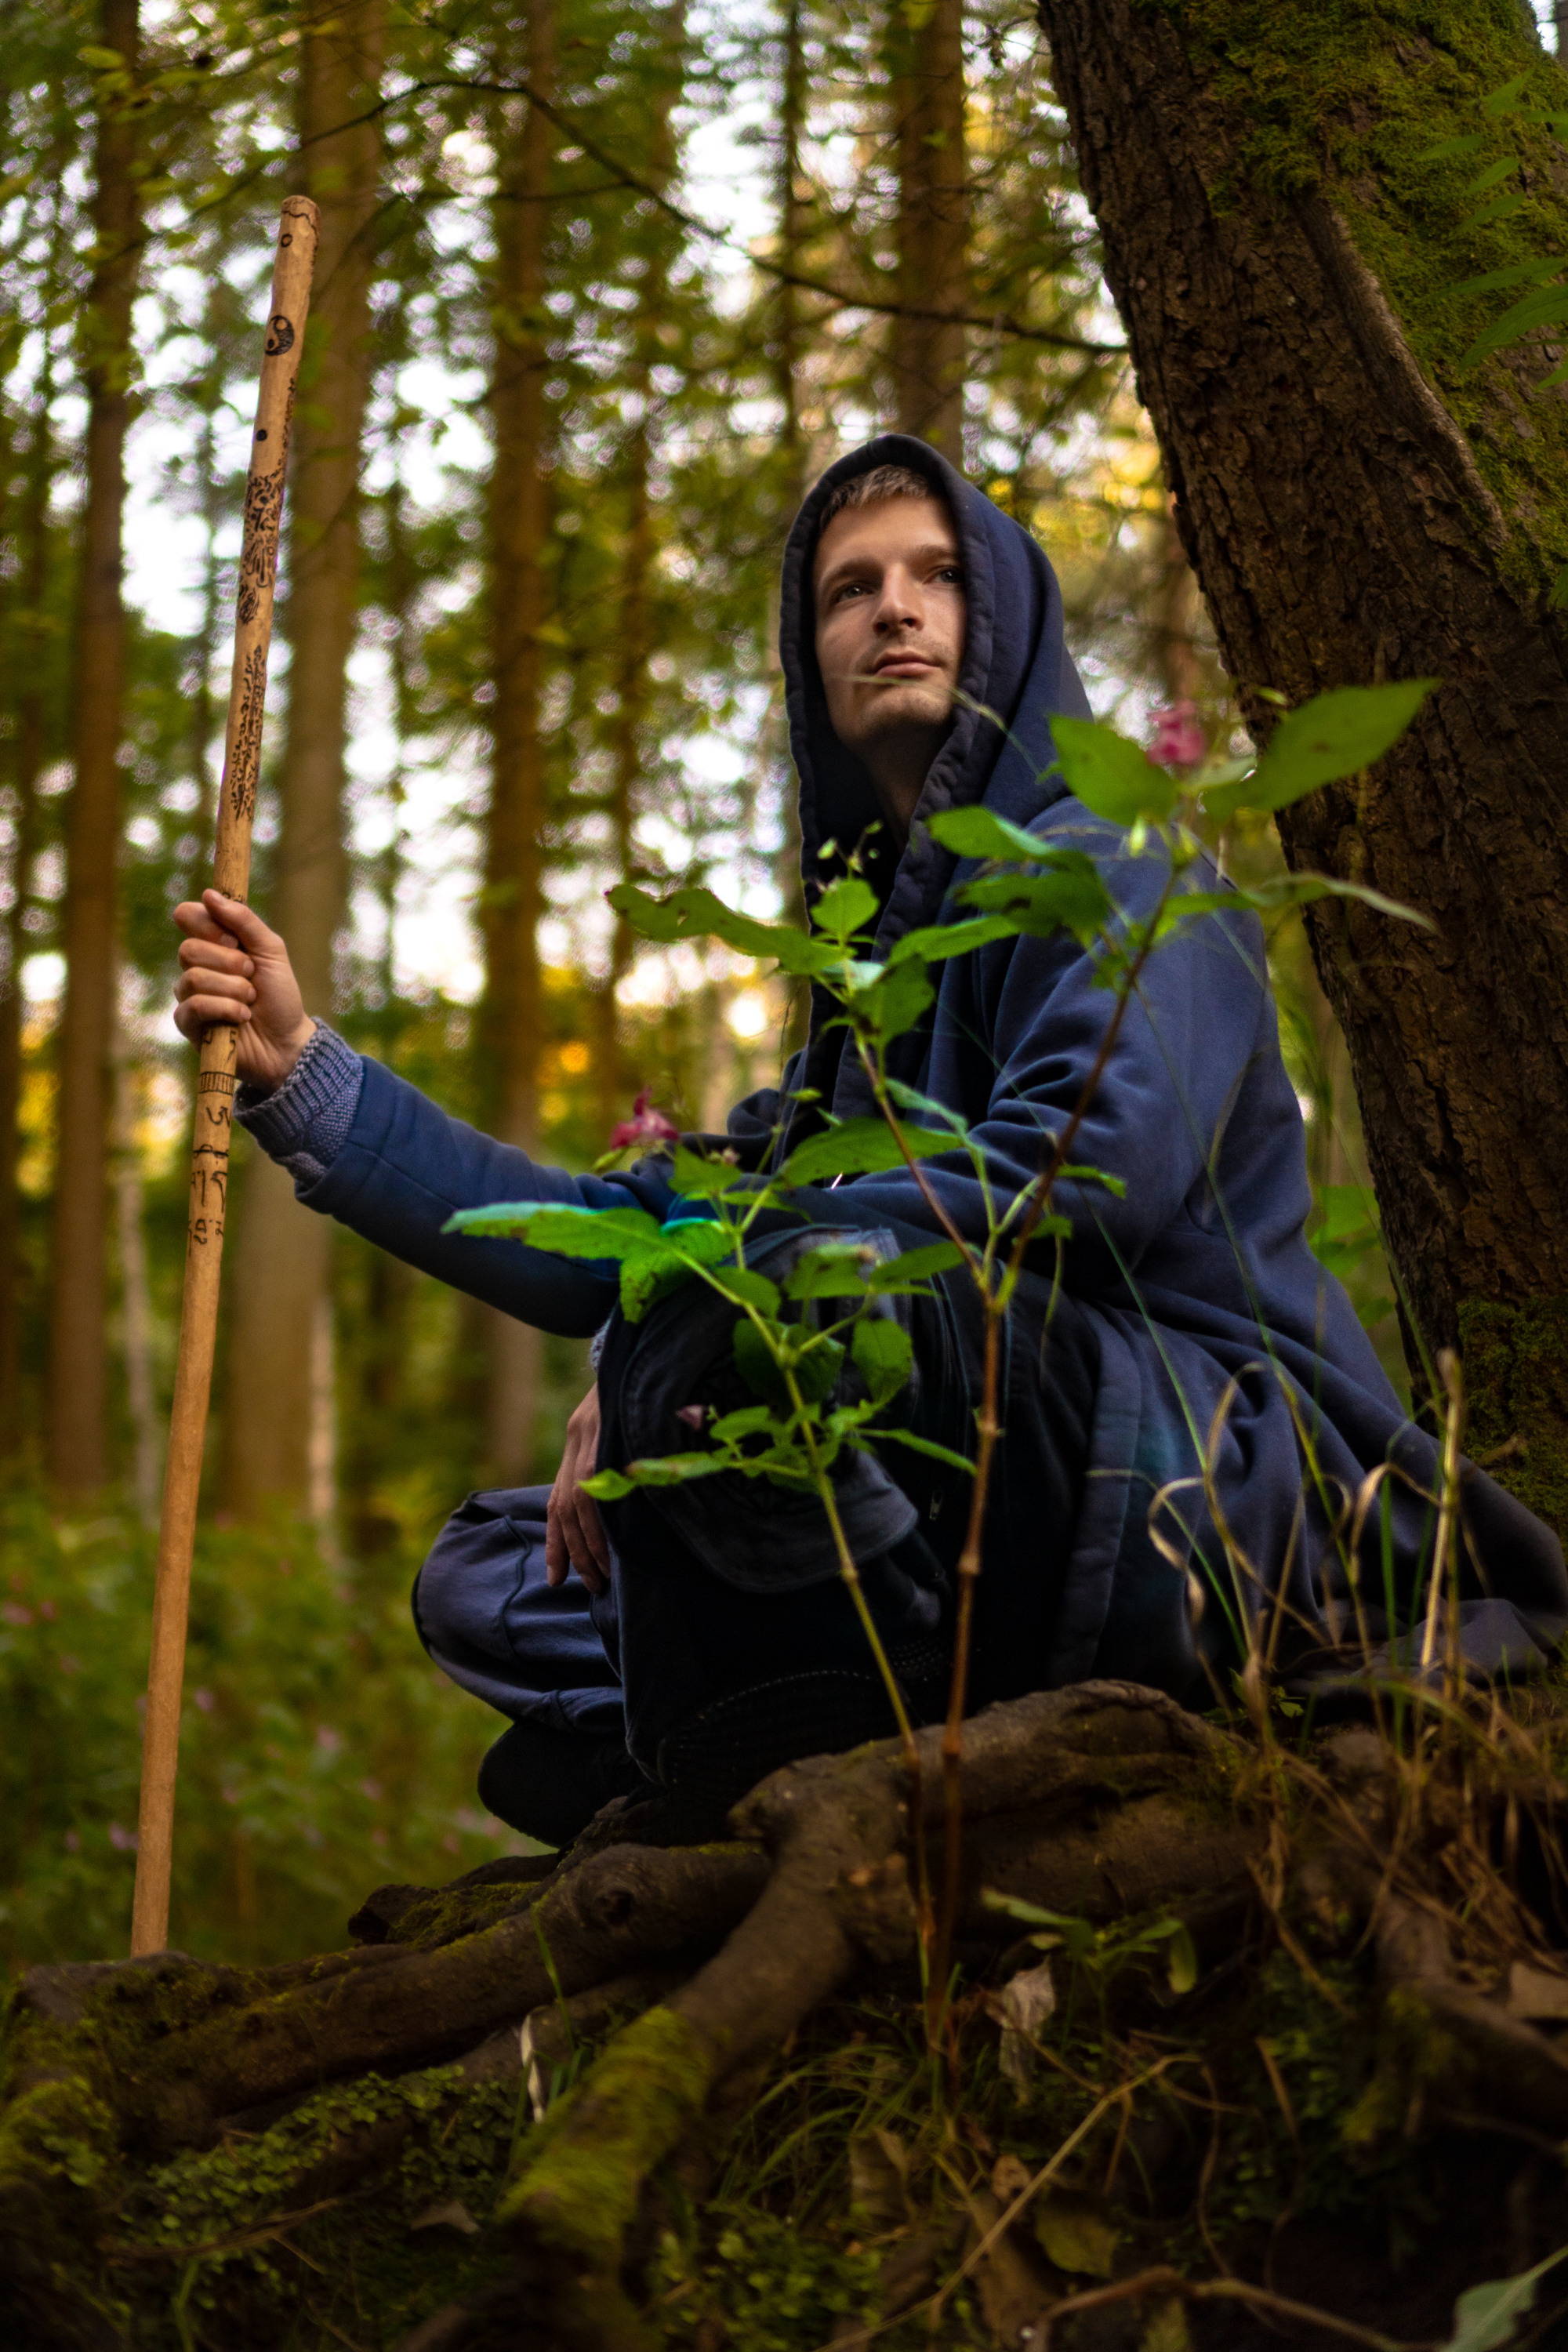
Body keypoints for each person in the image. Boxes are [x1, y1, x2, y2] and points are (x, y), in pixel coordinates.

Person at [174, 434, 1568, 1847]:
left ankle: (765, 1732)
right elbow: (609, 1234)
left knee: (787, 1305)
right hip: (982, 1515)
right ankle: (807, 1721)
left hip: (1215, 1493)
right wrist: (303, 1069)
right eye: (850, 589)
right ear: (812, 660)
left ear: (1005, 623)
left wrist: (698, 1301)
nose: (893, 609)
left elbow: (1081, 1176)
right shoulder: (860, 1021)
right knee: (486, 1570)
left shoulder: (1118, 871)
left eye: (936, 576)